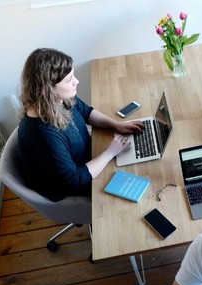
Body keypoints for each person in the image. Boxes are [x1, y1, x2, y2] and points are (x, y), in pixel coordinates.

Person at [17, 48, 144, 201]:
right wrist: (110, 153)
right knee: (138, 178)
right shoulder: (43, 134)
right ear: (48, 89)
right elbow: (74, 179)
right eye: (69, 80)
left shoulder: (57, 99)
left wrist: (115, 124)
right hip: (69, 185)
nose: (76, 82)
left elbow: (86, 112)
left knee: (136, 159)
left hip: (86, 158)